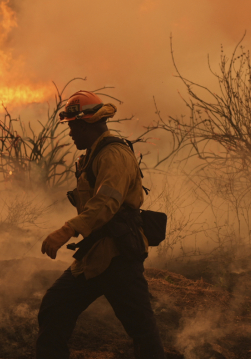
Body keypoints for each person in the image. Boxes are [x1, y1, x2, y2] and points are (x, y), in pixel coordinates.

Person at [36, 90, 165, 359]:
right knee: (55, 306)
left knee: (141, 330)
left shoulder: (113, 155)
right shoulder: (92, 156)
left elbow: (106, 203)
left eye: (73, 127)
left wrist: (67, 230)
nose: (70, 134)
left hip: (118, 257)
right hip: (94, 256)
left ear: (86, 125)